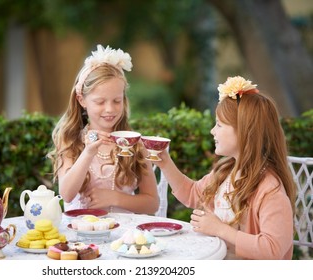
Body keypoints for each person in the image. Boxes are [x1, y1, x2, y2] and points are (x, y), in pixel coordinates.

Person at [154, 76, 296, 259]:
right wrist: (165, 162)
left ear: (246, 132)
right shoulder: (225, 173)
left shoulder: (270, 190)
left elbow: (272, 250)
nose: (213, 131)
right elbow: (191, 193)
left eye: (219, 125)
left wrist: (220, 230)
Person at [48, 44, 159, 214]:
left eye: (116, 101)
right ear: (82, 100)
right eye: (100, 102)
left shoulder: (135, 144)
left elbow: (152, 203)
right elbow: (67, 194)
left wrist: (114, 197)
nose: (110, 109)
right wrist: (88, 152)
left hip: (124, 236)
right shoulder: (70, 139)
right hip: (81, 233)